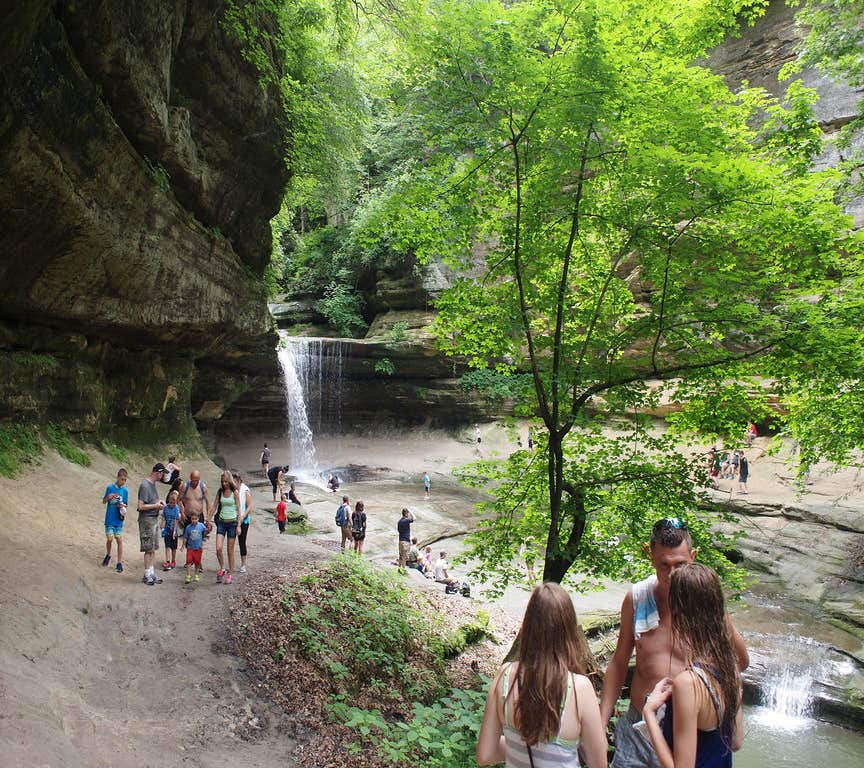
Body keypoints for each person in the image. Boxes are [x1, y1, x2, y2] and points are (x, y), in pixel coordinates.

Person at [600, 518, 748, 768]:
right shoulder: (637, 598)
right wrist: (601, 721)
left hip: (684, 729)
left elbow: (740, 661)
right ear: (651, 557)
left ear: (693, 556)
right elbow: (619, 662)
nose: (671, 575)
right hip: (638, 727)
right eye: (663, 565)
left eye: (680, 565)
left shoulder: (705, 604)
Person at [476, 582, 608, 768]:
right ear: (569, 630)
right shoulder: (579, 689)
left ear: (528, 626)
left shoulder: (505, 676)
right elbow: (599, 764)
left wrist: (520, 743)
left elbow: (485, 755)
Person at [642, 563, 744, 768]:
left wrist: (649, 715)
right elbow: (735, 742)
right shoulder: (730, 669)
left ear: (678, 614)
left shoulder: (688, 684)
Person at [137, 463, 166, 586]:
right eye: (162, 473)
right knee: (148, 548)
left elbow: (151, 501)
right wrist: (156, 506)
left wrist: (158, 502)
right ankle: (147, 575)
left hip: (153, 519)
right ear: (157, 472)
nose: (163, 476)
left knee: (153, 548)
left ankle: (151, 573)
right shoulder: (145, 485)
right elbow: (140, 506)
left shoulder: (153, 485)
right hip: (146, 520)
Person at [212, 471, 241, 585]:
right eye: (222, 482)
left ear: (230, 481)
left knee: (230, 550)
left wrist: (239, 525)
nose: (224, 484)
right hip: (222, 522)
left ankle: (230, 574)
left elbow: (239, 509)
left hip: (232, 523)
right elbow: (214, 506)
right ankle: (223, 568)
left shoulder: (235, 492)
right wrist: (207, 520)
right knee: (218, 548)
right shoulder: (220, 492)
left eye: (226, 482)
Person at [101, 467, 129, 572]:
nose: (123, 482)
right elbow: (104, 501)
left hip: (119, 519)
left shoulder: (125, 491)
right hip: (110, 518)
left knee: (119, 539)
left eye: (125, 480)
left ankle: (119, 562)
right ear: (118, 477)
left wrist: (122, 505)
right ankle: (108, 554)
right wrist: (109, 497)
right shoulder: (110, 488)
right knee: (110, 538)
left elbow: (126, 504)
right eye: (122, 479)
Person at [233, 471, 253, 573]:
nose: (234, 483)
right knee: (231, 541)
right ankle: (231, 563)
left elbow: (249, 506)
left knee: (242, 542)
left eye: (235, 481)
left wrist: (242, 517)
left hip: (244, 520)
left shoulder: (245, 490)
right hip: (233, 518)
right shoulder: (231, 490)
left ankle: (243, 564)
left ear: (239, 481)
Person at [182, 510, 207, 584]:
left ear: (198, 519)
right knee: (188, 562)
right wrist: (183, 545)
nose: (194, 520)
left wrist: (208, 529)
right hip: (190, 548)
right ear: (190, 519)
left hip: (198, 548)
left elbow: (205, 531)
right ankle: (188, 576)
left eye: (195, 519)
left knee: (197, 563)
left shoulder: (201, 526)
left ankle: (196, 574)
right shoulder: (188, 527)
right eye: (192, 519)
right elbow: (185, 537)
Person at [161, 489, 182, 571]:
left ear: (176, 502)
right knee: (167, 546)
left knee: (173, 547)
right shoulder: (166, 507)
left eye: (174, 503)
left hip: (174, 531)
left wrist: (174, 531)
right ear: (169, 500)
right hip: (167, 530)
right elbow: (163, 516)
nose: (172, 504)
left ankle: (173, 560)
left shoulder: (176, 508)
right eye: (170, 502)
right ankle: (167, 561)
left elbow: (176, 520)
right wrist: (162, 523)